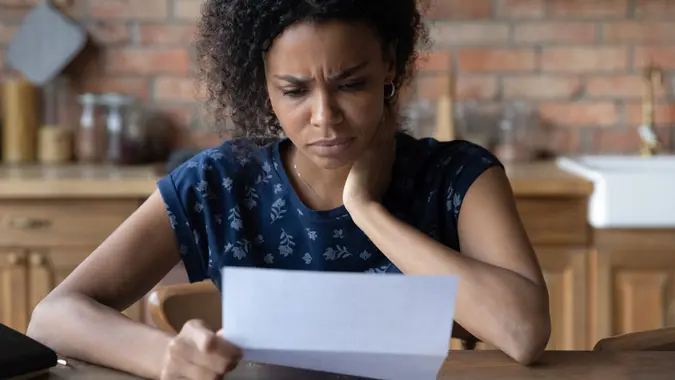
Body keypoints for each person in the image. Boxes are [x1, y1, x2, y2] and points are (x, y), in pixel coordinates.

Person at [27, 0, 551, 378]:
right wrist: (162, 355)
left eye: (351, 84)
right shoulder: (218, 183)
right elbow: (53, 316)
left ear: (390, 64)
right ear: (263, 84)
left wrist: (367, 210)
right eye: (295, 91)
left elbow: (524, 334)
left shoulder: (458, 176)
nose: (325, 118)